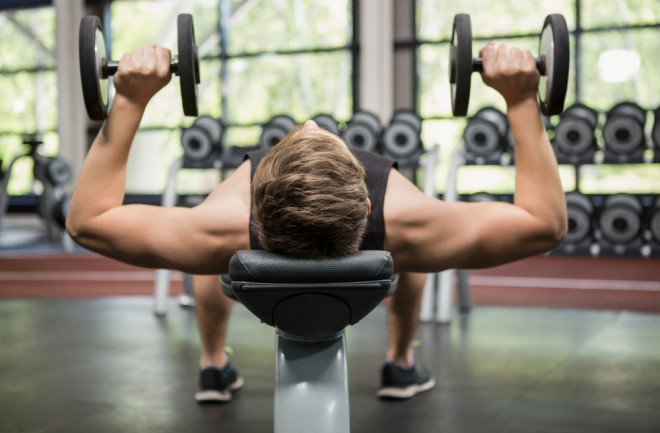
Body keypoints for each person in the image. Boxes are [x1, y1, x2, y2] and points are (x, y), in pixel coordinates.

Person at [66, 41, 567, 403]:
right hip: (397, 240)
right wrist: (521, 99)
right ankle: (400, 362)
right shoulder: (410, 221)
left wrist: (129, 100)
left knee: (198, 256)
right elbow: (545, 222)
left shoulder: (220, 228)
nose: (310, 124)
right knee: (413, 259)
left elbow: (88, 221)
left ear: (253, 205)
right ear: (370, 203)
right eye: (320, 136)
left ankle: (214, 364)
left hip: (224, 237)